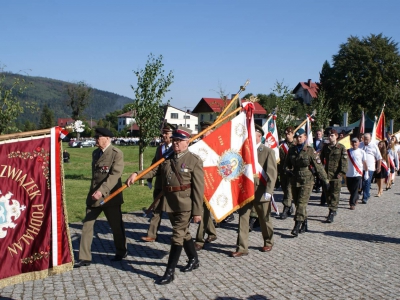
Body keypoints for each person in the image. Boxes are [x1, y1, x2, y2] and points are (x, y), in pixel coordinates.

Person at [126, 126, 204, 285]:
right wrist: (136, 174)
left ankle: (169, 272)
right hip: (169, 202)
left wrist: (197, 212)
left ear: (187, 142)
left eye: (179, 141)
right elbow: (152, 170)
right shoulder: (167, 158)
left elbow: (198, 189)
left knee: (177, 236)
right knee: (183, 233)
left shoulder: (194, 161)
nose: (175, 143)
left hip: (184, 204)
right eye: (174, 140)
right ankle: (194, 259)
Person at [75, 128, 127, 267]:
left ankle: (121, 251)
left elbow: (115, 175)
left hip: (110, 196)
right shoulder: (95, 153)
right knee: (87, 225)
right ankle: (84, 257)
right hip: (94, 197)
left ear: (108, 138)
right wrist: (94, 192)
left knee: (116, 226)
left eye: (99, 136)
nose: (96, 138)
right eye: (96, 136)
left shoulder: (116, 154)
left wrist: (102, 191)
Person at [231, 124, 277, 257]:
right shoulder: (244, 150)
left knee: (264, 218)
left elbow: (272, 174)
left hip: (260, 190)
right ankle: (242, 247)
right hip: (245, 190)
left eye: (254, 135)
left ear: (260, 137)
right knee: (243, 218)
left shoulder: (267, 151)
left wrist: (269, 190)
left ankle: (268, 241)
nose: (251, 138)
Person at [284, 128, 329, 237]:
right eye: (297, 137)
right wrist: (287, 171)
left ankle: (296, 225)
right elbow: (286, 164)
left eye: (300, 137)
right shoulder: (292, 150)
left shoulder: (310, 150)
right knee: (297, 203)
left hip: (307, 181)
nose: (298, 139)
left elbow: (318, 167)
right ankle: (305, 223)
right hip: (295, 180)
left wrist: (325, 180)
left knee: (301, 204)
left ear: (305, 137)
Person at [141, 123, 174, 242]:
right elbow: (153, 164)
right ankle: (152, 234)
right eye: (163, 133)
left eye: (166, 133)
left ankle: (179, 234)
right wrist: (149, 179)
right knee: (156, 208)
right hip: (159, 182)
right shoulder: (159, 148)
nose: (164, 135)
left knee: (172, 211)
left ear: (172, 135)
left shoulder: (175, 148)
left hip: (171, 183)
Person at [195, 121, 218, 251]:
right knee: (203, 210)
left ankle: (199, 240)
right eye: (202, 132)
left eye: (206, 132)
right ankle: (212, 232)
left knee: (203, 211)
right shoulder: (196, 147)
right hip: (198, 183)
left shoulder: (216, 147)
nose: (203, 135)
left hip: (211, 184)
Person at [319, 129, 348, 223]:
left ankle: (332, 212)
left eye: (332, 135)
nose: (330, 137)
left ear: (336, 136)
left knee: (335, 194)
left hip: (336, 175)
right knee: (327, 194)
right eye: (328, 135)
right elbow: (320, 160)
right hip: (327, 175)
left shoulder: (341, 148)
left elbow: (344, 162)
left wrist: (341, 173)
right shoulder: (325, 147)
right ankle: (332, 208)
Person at [346, 137, 368, 209]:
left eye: (356, 142)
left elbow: (364, 163)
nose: (354, 143)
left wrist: (366, 172)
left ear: (358, 143)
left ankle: (352, 204)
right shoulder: (348, 151)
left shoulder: (362, 152)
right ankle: (356, 196)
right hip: (349, 173)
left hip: (357, 173)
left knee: (355, 189)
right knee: (350, 188)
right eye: (353, 142)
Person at [359, 133, 382, 203]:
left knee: (367, 181)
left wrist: (378, 167)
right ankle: (367, 193)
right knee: (361, 182)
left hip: (370, 167)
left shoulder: (374, 146)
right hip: (360, 167)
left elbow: (379, 158)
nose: (365, 141)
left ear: (370, 139)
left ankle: (365, 197)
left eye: (367, 139)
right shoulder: (360, 144)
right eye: (364, 139)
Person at [279, 126, 295, 219]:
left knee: (289, 190)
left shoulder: (295, 145)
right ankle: (289, 206)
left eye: (289, 134)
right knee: (285, 190)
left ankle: (286, 208)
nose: (287, 135)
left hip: (292, 172)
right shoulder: (281, 145)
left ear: (292, 134)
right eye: (286, 134)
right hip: (283, 171)